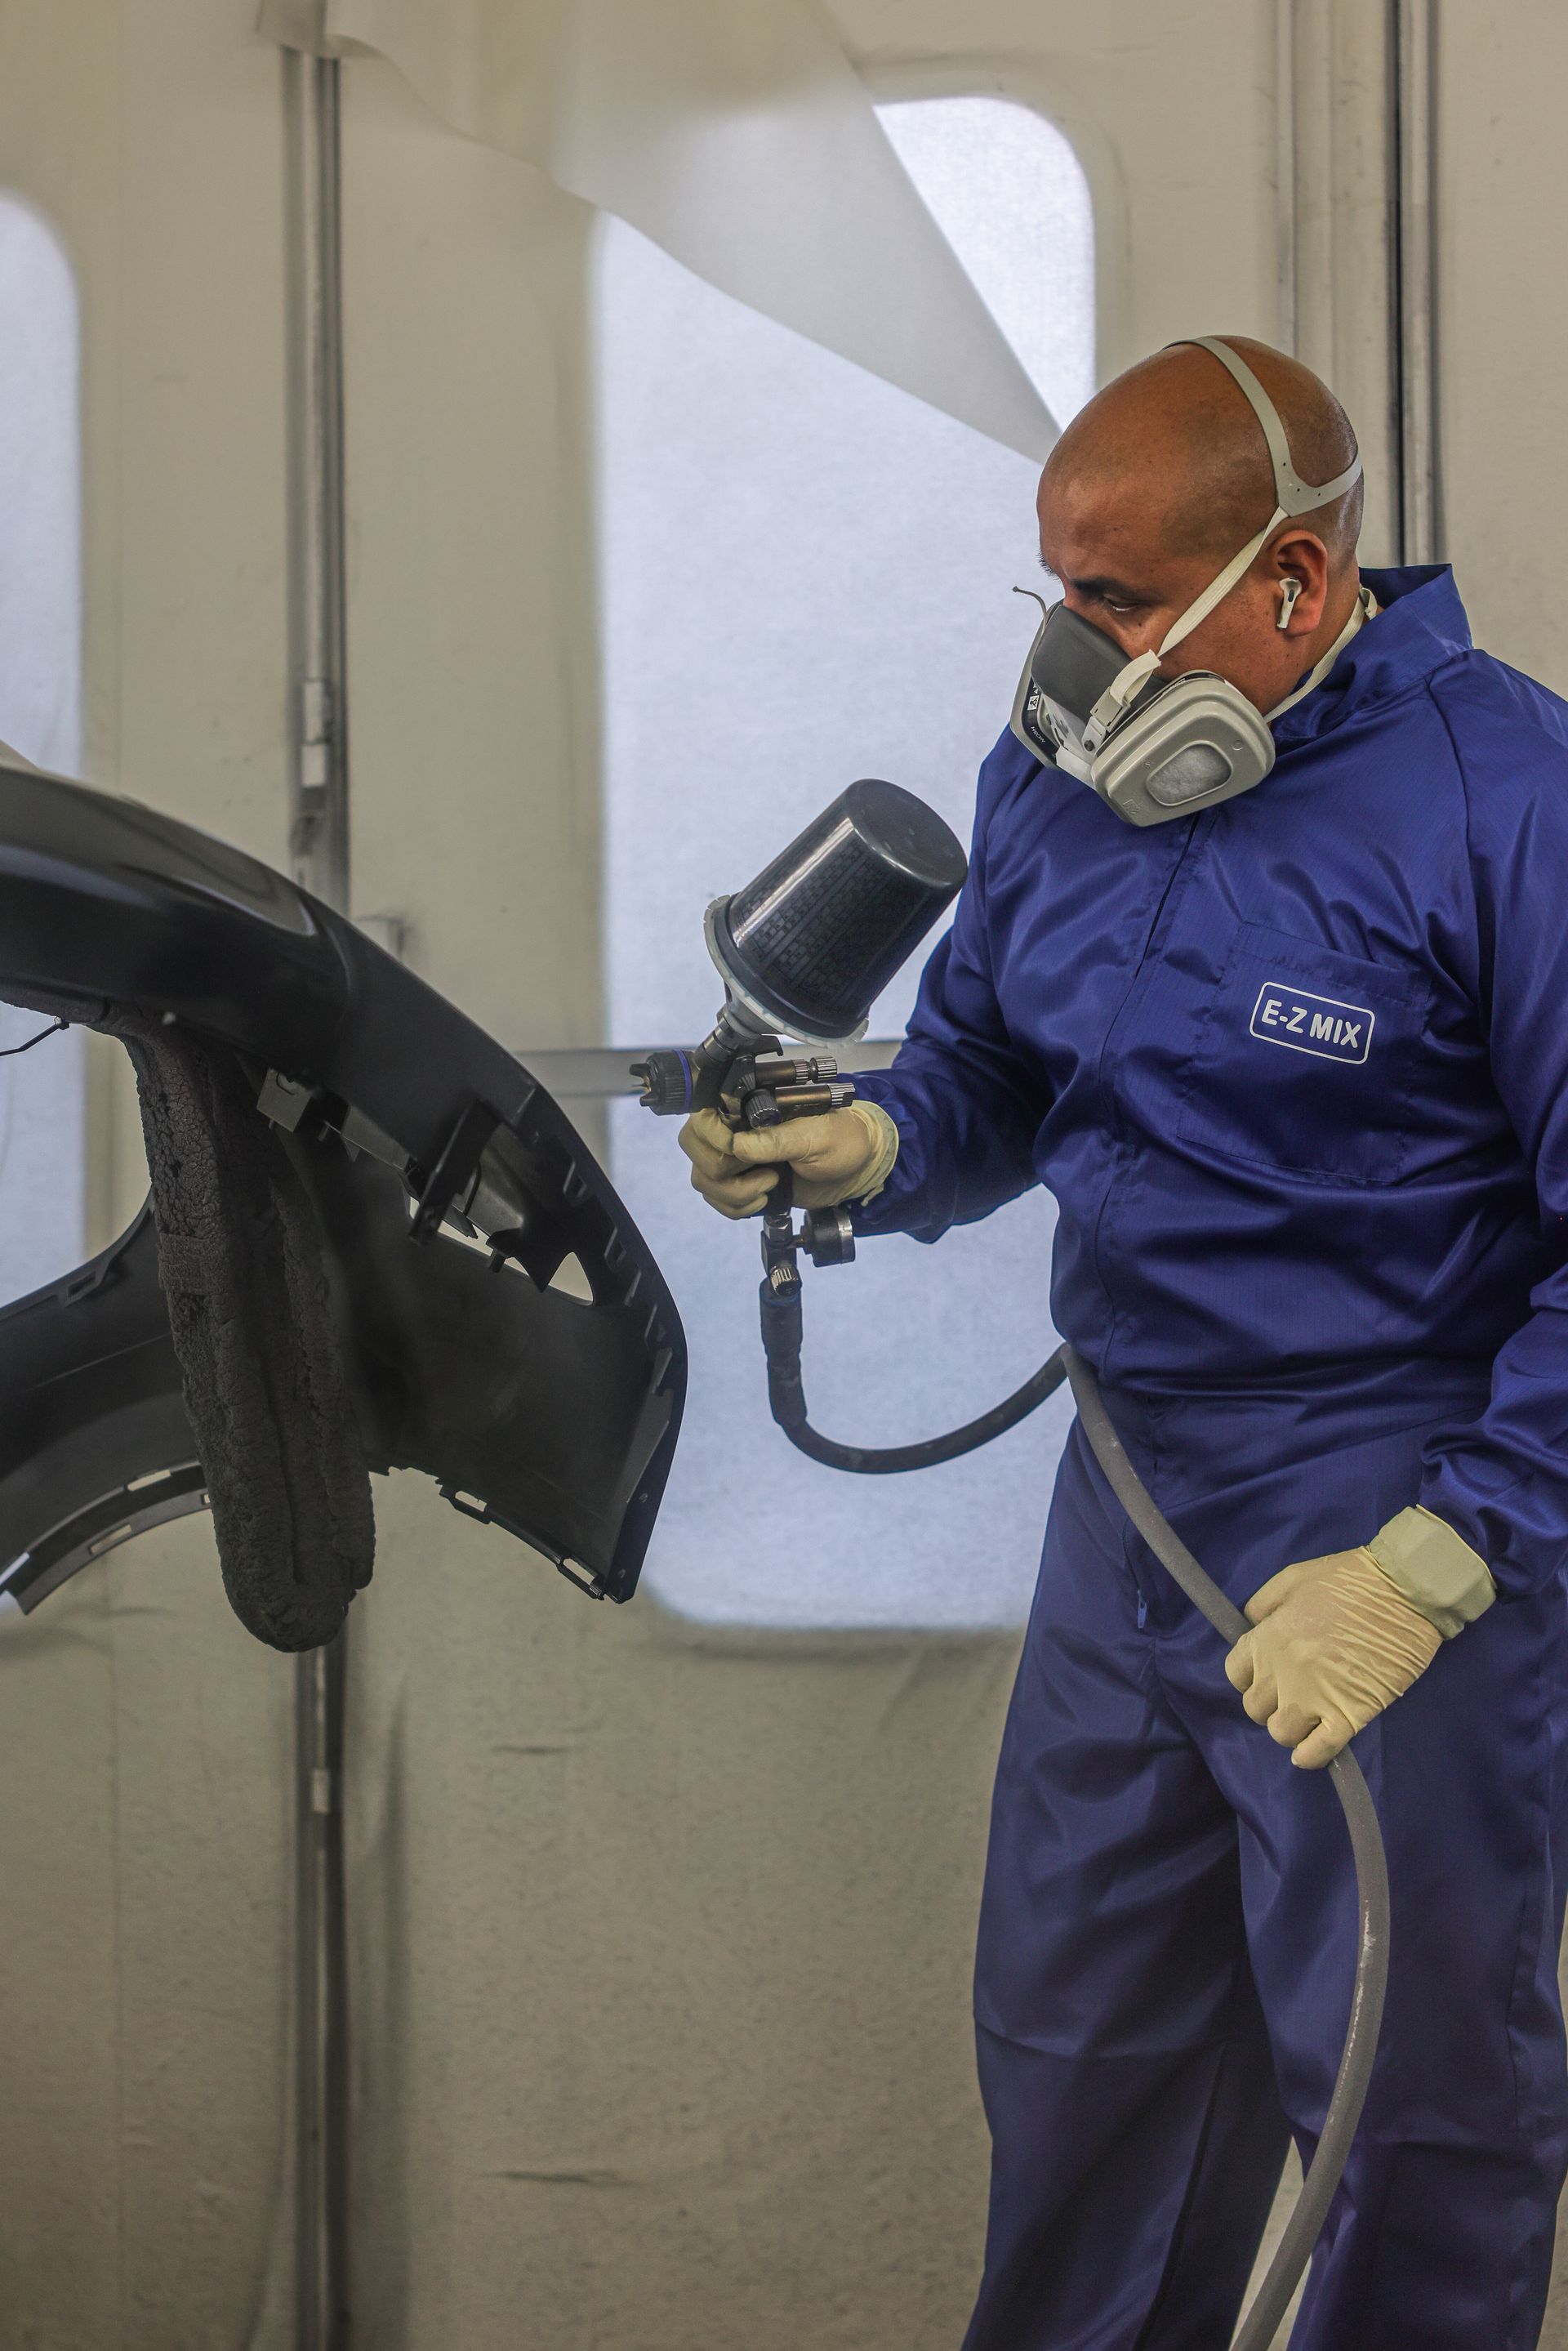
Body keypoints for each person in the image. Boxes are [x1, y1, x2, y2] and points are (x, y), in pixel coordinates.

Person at [679, 336, 1568, 2348]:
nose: (1074, 664)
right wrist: (887, 1137)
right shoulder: (1057, 775)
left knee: (1406, 2104)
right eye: (1055, 594)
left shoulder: (1510, 805)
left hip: (1395, 1503)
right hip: (1133, 1506)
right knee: (1084, 2048)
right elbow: (998, 1060)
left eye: (1120, 601)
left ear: (1296, 584)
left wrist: (1443, 1562)